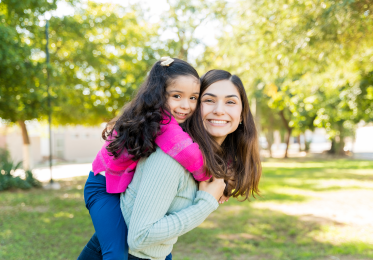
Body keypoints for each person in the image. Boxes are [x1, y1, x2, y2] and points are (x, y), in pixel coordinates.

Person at [78, 57, 222, 260]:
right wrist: (212, 180)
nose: (186, 105)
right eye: (177, 96)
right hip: (101, 188)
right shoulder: (162, 123)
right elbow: (190, 155)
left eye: (193, 98)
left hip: (119, 185)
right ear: (159, 94)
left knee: (156, 251)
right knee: (116, 252)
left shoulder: (156, 117)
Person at [120, 69, 262, 259]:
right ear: (193, 108)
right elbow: (140, 237)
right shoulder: (171, 158)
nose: (219, 110)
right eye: (209, 100)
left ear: (242, 114)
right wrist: (205, 203)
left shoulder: (207, 160)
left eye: (230, 102)